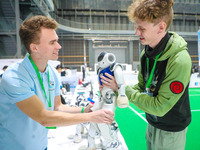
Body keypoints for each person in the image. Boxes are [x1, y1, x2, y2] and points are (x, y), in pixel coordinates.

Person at [0, 15, 114, 150]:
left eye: (57, 41)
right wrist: (90, 117)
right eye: (52, 42)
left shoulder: (52, 72)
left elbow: (57, 107)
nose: (59, 46)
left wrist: (84, 110)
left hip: (42, 147)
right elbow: (44, 117)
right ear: (34, 48)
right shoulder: (14, 77)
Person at [100, 0, 192, 150]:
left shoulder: (179, 60)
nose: (136, 32)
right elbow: (143, 87)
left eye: (141, 28)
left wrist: (123, 90)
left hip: (171, 131)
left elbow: (160, 107)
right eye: (136, 27)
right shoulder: (146, 53)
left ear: (161, 27)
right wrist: (117, 88)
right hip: (152, 123)